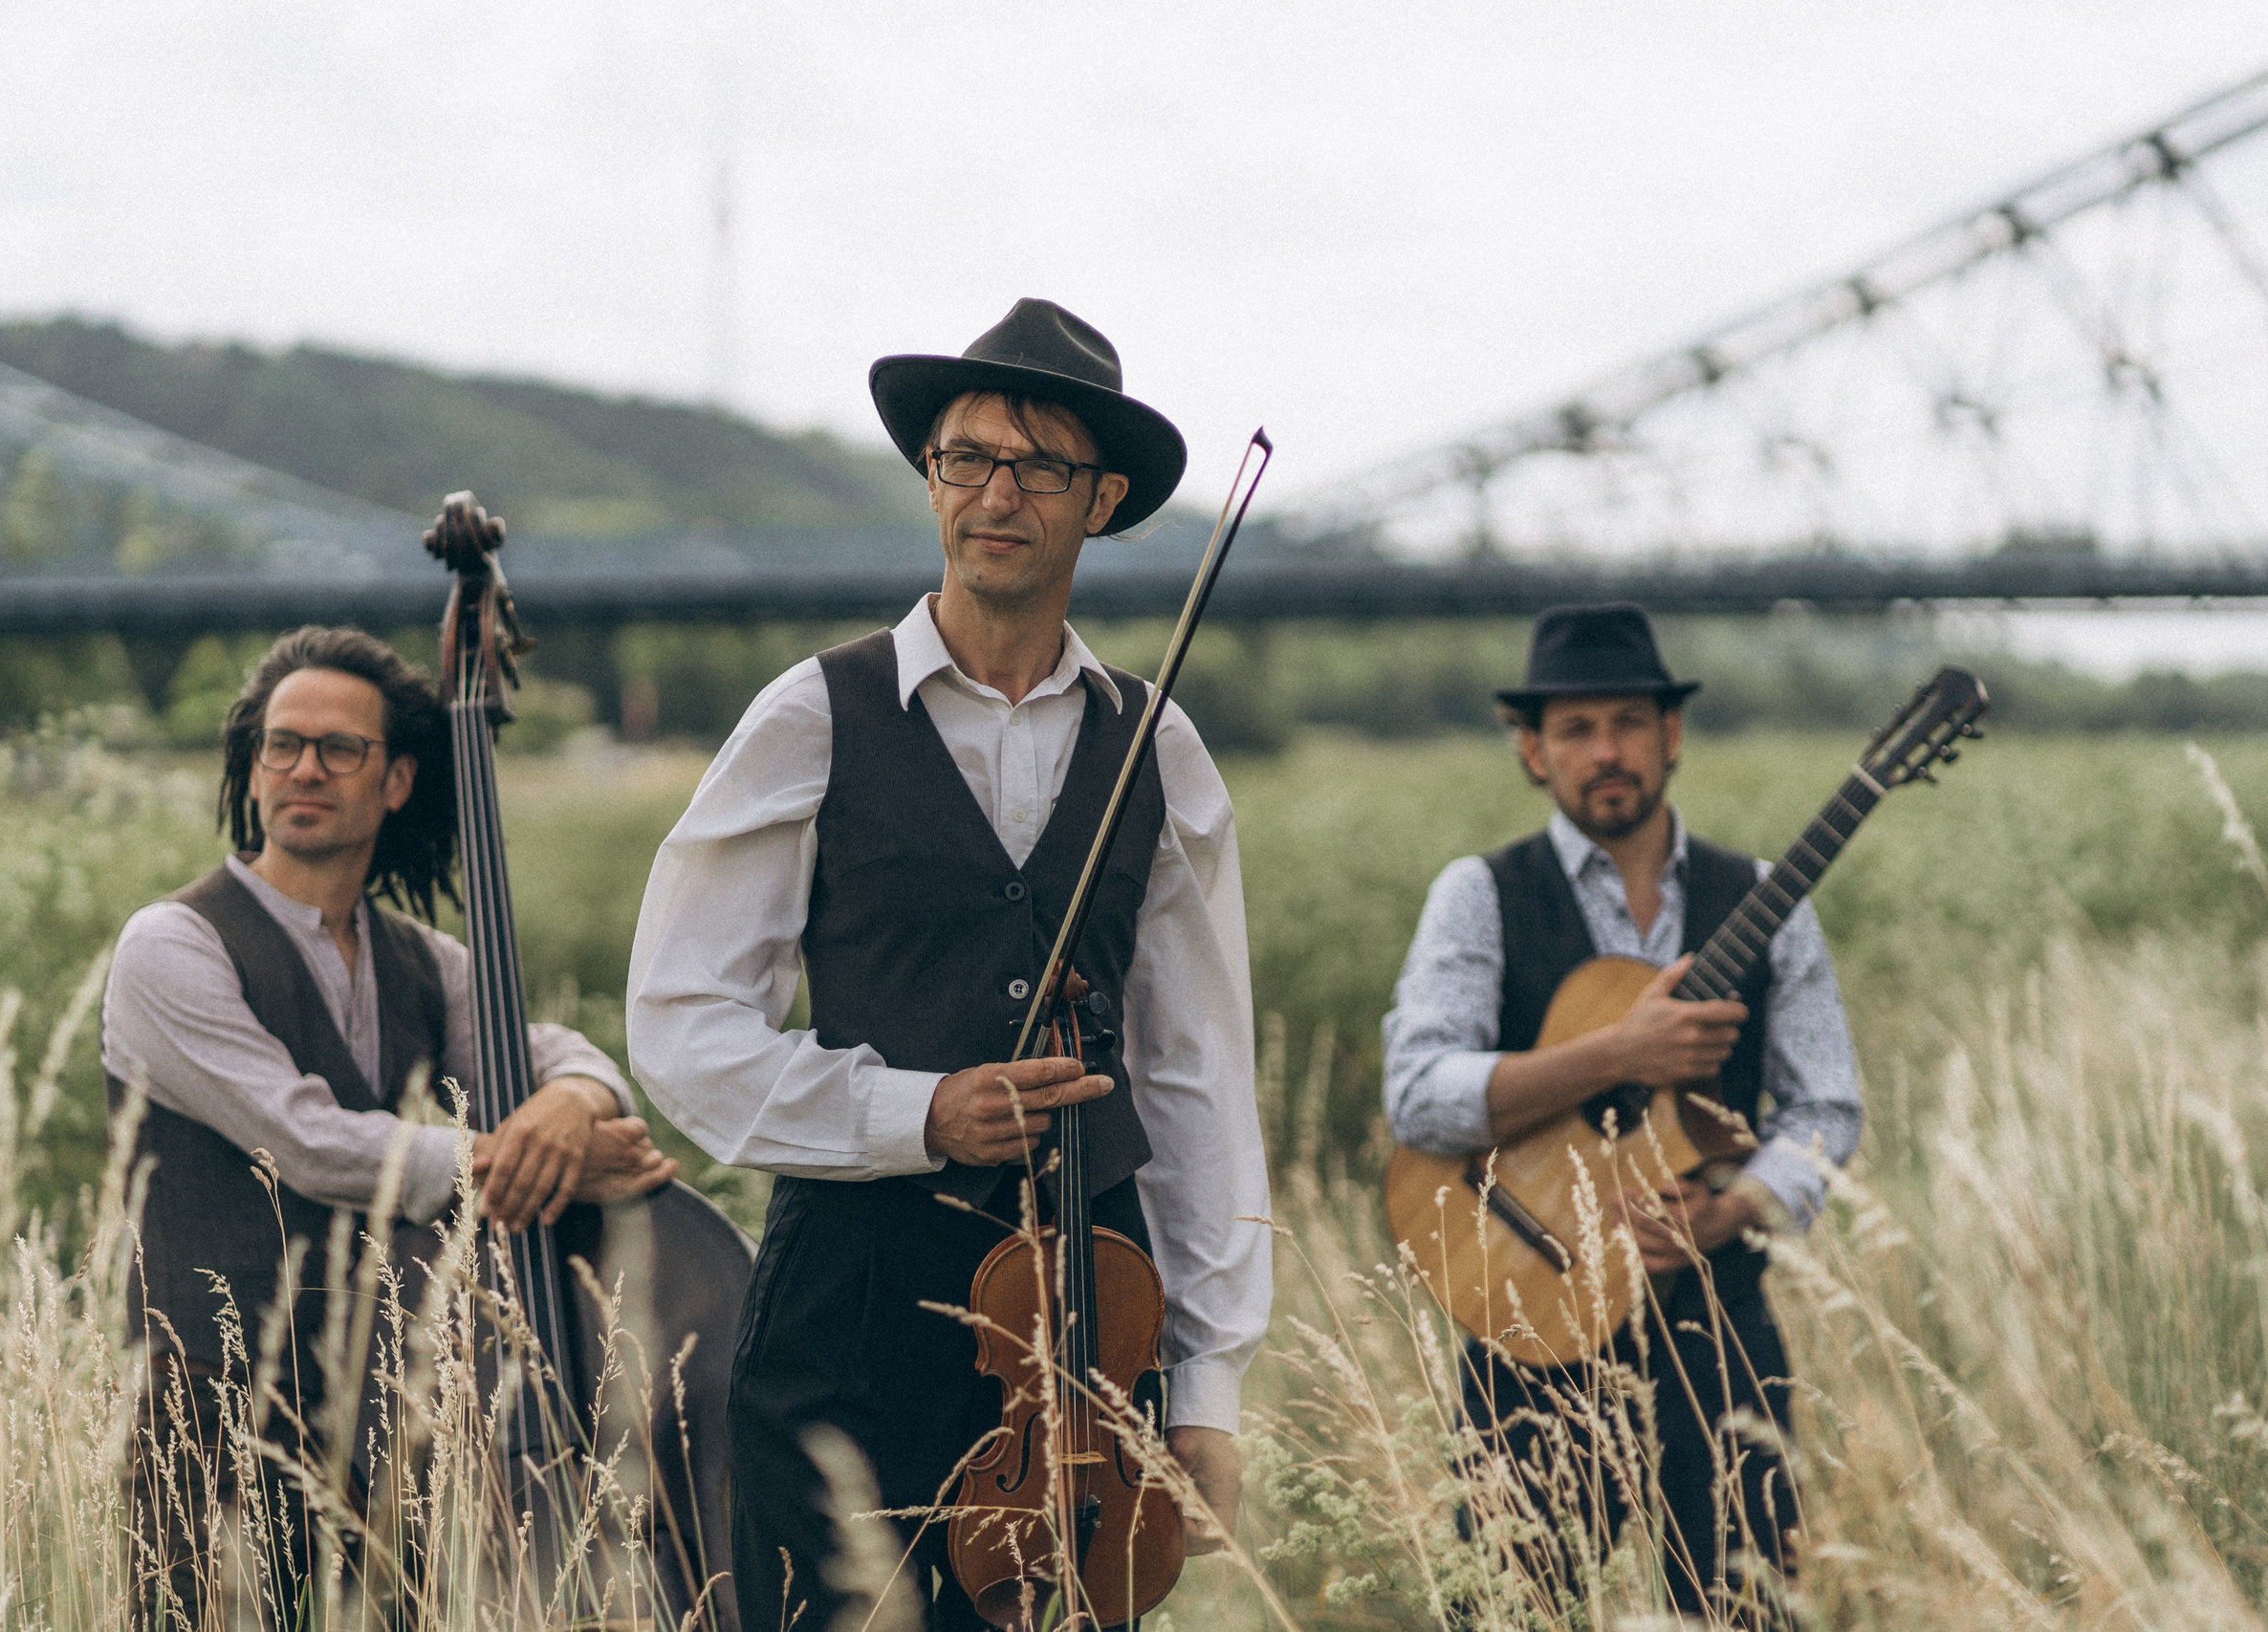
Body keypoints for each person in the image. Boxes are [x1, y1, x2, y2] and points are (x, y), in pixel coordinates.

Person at [626, 298, 1271, 1630]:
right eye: (965, 457)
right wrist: (913, 1110)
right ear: (930, 479)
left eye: (1038, 465)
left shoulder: (1162, 748)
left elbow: (1196, 1072)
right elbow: (682, 1020)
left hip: (1095, 1325)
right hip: (845, 1318)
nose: (996, 492)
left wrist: (1205, 1386)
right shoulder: (813, 713)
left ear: (1100, 501)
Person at [100, 625, 678, 1629]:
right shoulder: (171, 945)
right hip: (206, 1420)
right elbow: (310, 1143)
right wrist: (526, 1161)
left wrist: (577, 1106)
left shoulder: (420, 959)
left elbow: (551, 1051)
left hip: (381, 1420)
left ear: (396, 781)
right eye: (281, 745)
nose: (303, 768)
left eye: (338, 748)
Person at [1382, 602, 1864, 1621]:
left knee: (1747, 1611)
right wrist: (1613, 1052)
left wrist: (1729, 1212)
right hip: (1526, 1317)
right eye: (1574, 729)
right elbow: (1420, 1098)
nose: (1606, 751)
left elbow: (1826, 1107)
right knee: (1514, 1615)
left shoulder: (1762, 897)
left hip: (1718, 1324)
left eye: (1628, 724)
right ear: (1531, 750)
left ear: (1670, 734)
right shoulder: (1480, 896)